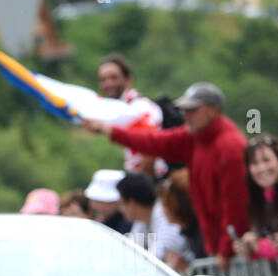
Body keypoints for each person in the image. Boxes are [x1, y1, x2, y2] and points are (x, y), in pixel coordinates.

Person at [83, 82, 248, 265]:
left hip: (232, 252)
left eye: (192, 110)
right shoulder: (194, 137)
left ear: (212, 110)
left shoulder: (229, 147)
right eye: (184, 110)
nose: (185, 115)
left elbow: (236, 203)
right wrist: (111, 131)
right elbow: (154, 141)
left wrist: (225, 251)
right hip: (213, 244)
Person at [95, 54, 165, 177]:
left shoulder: (140, 107)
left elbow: (152, 146)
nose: (108, 83)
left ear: (128, 79)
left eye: (114, 77)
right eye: (103, 79)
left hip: (155, 179)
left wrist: (144, 184)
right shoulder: (121, 108)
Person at [235, 136, 278, 261]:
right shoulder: (257, 199)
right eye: (255, 163)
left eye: (266, 160)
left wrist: (261, 246)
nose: (262, 168)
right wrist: (249, 246)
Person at [116, 172, 185, 261]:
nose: (121, 210)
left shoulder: (164, 214)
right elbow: (131, 249)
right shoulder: (142, 219)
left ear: (132, 203)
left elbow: (158, 257)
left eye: (122, 204)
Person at [156, 171, 205, 273]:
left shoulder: (201, 234)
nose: (162, 211)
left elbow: (208, 272)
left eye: (165, 205)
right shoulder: (189, 231)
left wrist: (187, 269)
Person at [84, 169, 130, 233]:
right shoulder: (105, 222)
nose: (93, 205)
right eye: (93, 200)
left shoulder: (127, 225)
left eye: (99, 201)